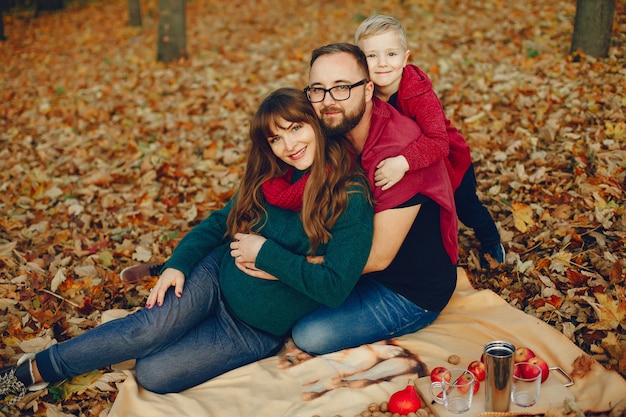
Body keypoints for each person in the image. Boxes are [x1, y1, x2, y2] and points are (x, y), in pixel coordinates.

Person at [0, 88, 373, 406]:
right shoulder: (269, 175)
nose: (289, 145)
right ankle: (34, 370)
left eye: (296, 128)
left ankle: (157, 327)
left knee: (154, 373)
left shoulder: (348, 194)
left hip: (252, 330)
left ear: (316, 124)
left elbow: (335, 286)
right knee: (145, 332)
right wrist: (179, 263)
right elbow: (216, 225)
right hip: (213, 277)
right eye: (276, 138)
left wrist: (268, 256)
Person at [286, 43, 459, 355]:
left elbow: (378, 256)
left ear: (368, 90)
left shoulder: (400, 151)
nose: (328, 102)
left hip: (408, 288)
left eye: (341, 88)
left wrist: (286, 266)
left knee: (310, 334)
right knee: (272, 307)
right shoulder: (334, 130)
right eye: (317, 90)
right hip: (349, 261)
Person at [354, 15, 505, 268]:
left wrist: (402, 162)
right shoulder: (367, 94)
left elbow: (438, 141)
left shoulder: (418, 94)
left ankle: (490, 239)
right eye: (371, 56)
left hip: (450, 163)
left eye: (391, 54)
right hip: (417, 167)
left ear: (405, 58)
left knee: (466, 207)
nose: (382, 64)